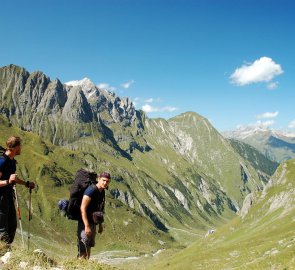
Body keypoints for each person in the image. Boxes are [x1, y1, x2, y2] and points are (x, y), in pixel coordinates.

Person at [0, 136, 35, 245]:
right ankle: (3, 253)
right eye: (20, 146)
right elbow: (8, 180)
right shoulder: (2, 162)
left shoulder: (12, 161)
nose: (21, 149)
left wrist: (26, 184)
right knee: (2, 228)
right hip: (1, 198)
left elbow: (13, 178)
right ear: (15, 147)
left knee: (12, 225)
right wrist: (8, 182)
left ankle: (6, 251)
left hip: (8, 196)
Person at [78, 171, 111, 259]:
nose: (105, 183)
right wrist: (86, 226)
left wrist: (100, 225)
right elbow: (83, 208)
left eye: (107, 181)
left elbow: (99, 209)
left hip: (93, 223)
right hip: (85, 223)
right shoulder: (91, 191)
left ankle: (86, 267)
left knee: (88, 247)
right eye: (103, 180)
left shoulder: (102, 192)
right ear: (98, 179)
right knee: (83, 249)